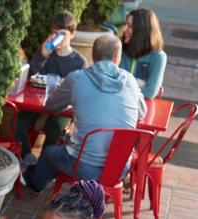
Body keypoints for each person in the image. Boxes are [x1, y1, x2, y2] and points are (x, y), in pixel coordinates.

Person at [23, 34, 147, 194]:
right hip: (119, 169)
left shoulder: (77, 79)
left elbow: (51, 106)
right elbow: (142, 112)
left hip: (83, 166)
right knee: (67, 145)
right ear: (117, 58)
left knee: (49, 153)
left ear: (93, 56)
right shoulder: (130, 80)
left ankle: (34, 185)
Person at [15, 11, 88, 164]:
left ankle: (42, 166)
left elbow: (79, 94)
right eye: (54, 34)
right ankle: (28, 159)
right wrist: (42, 54)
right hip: (36, 104)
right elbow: (32, 78)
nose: (57, 39)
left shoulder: (79, 62)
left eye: (62, 34)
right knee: (18, 122)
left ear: (72, 35)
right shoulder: (46, 55)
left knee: (53, 127)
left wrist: (46, 116)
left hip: (61, 109)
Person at [119, 8, 167, 100]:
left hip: (142, 108)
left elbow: (149, 92)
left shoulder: (158, 57)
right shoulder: (120, 50)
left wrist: (123, 88)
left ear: (141, 31)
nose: (124, 29)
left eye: (129, 26)